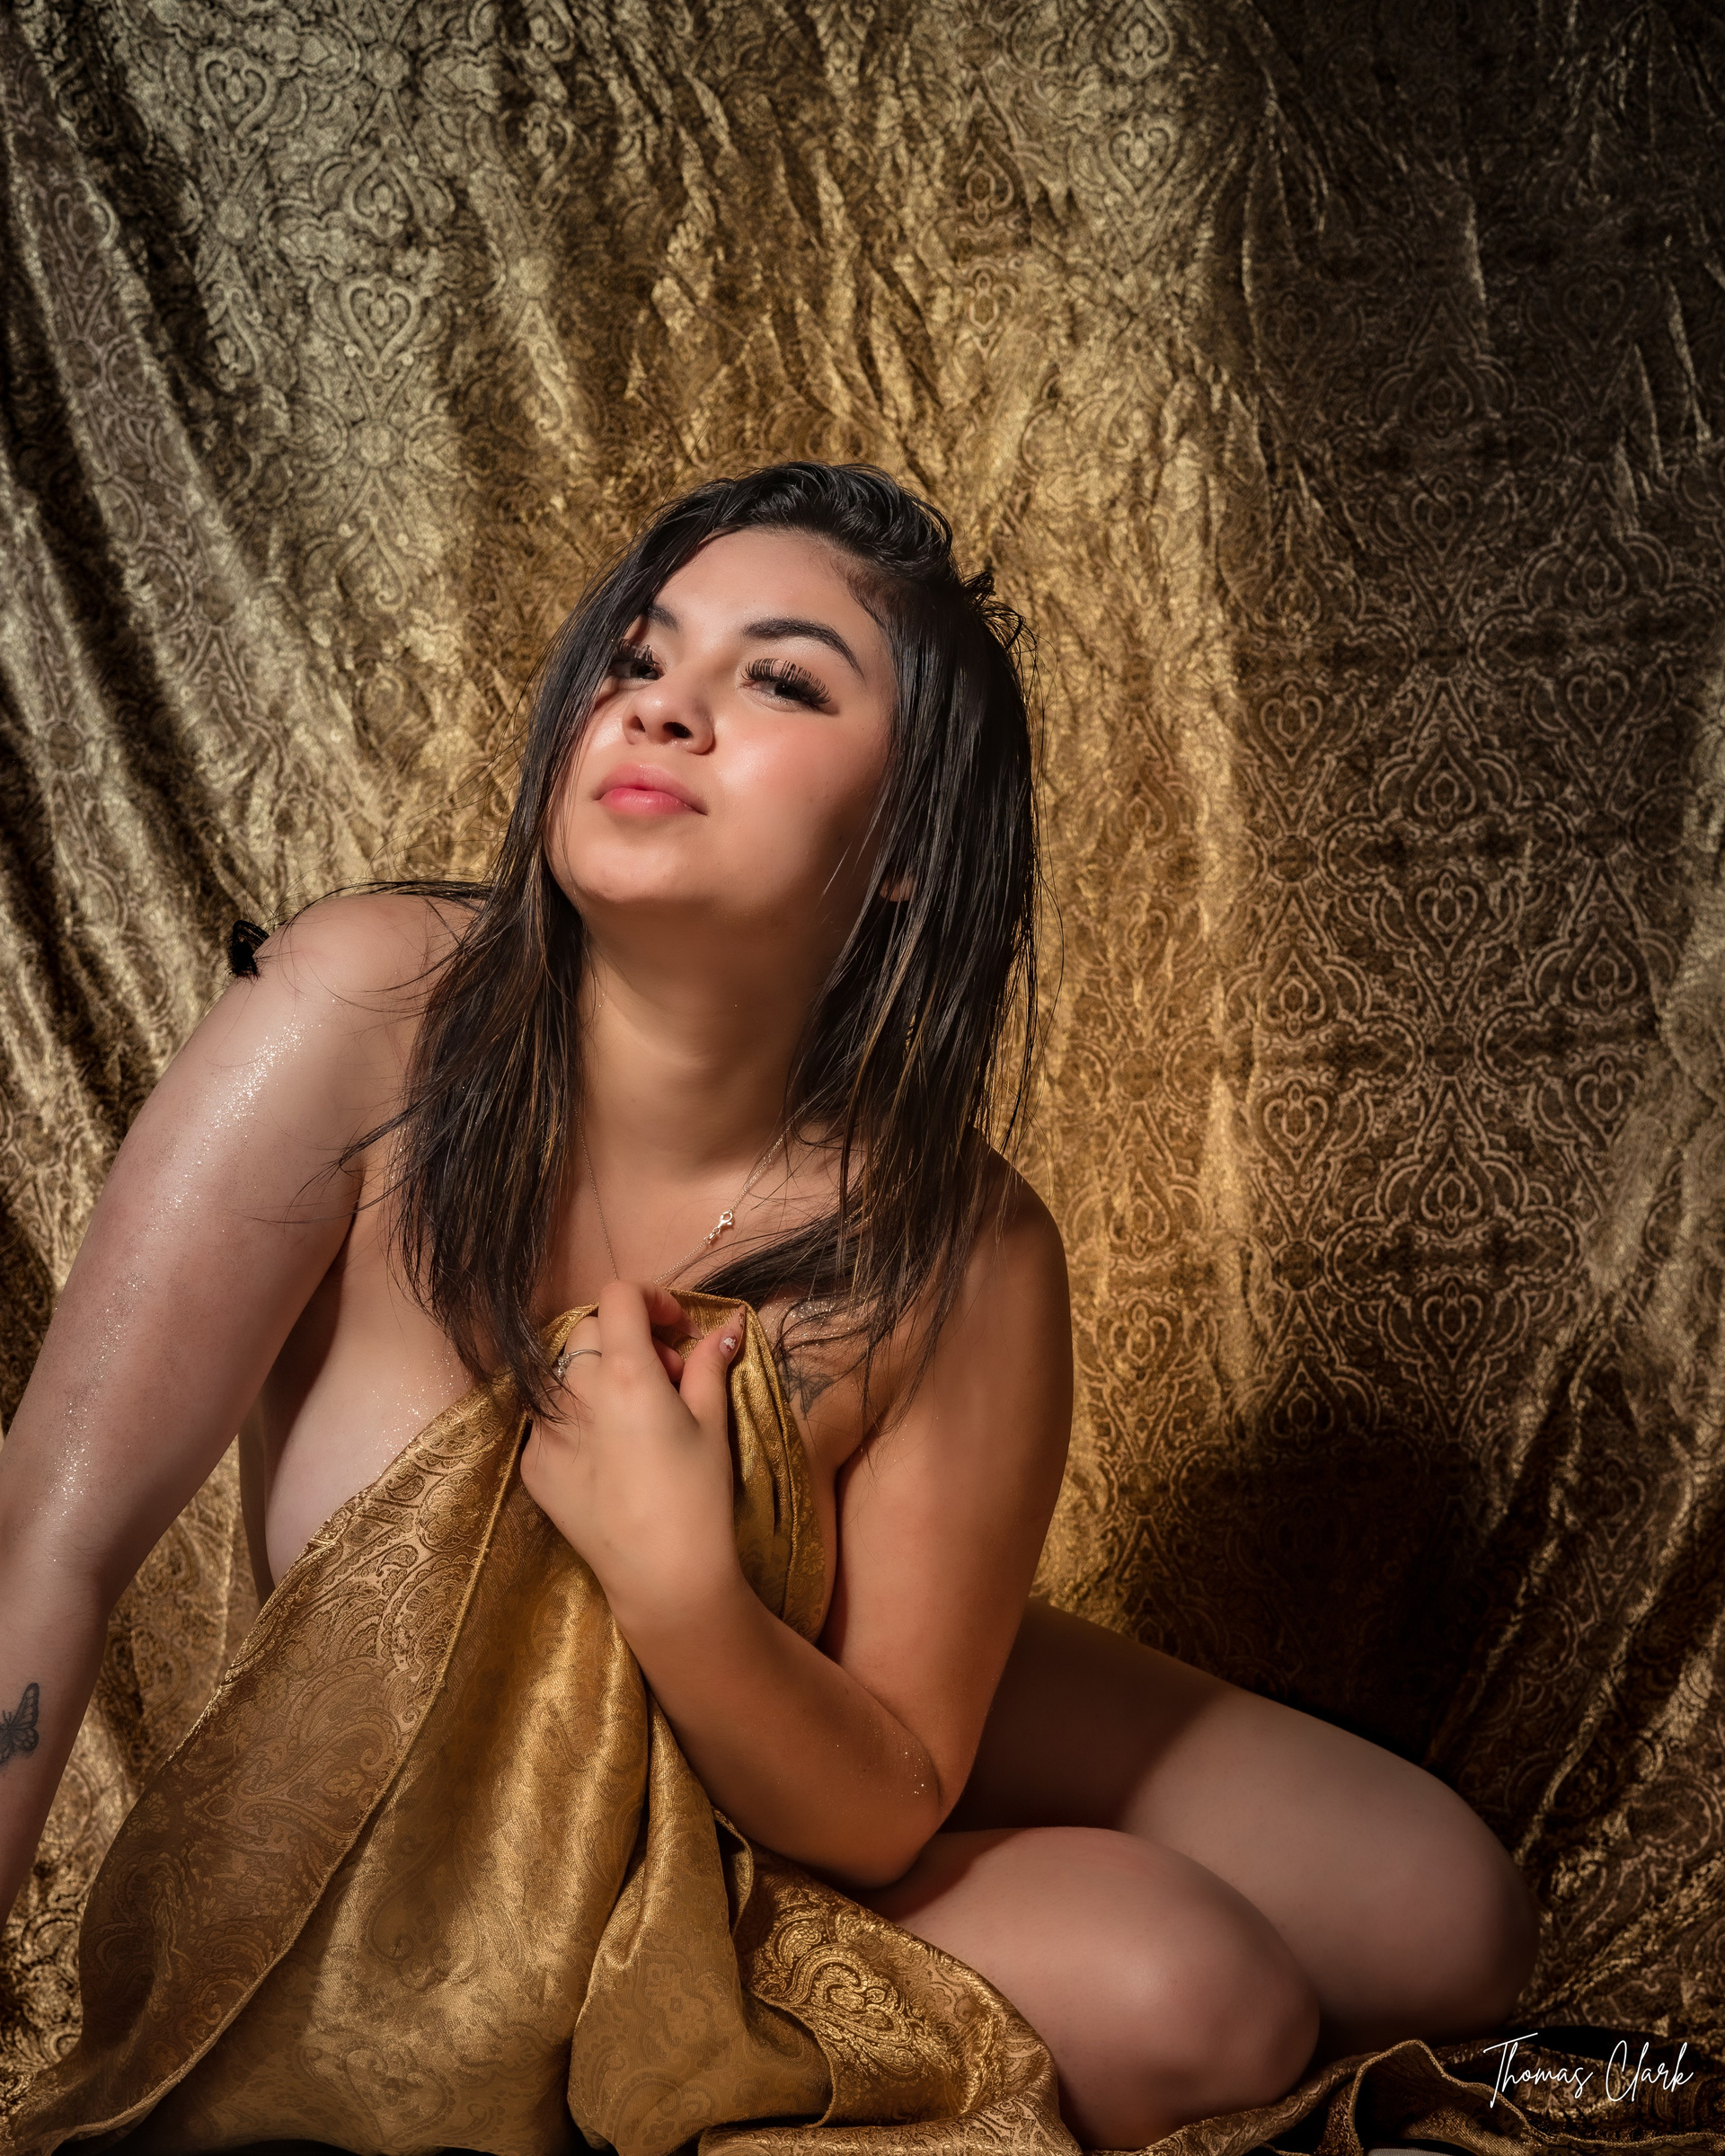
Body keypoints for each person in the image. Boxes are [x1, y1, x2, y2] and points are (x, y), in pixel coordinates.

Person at [0, 462, 1535, 2152]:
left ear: (906, 848)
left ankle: (826, 1686)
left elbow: (882, 1812)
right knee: (1205, 1997)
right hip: (442, 1879)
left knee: (1445, 1922)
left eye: (782, 680)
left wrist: (681, 1573)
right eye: (640, 657)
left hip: (773, 1759)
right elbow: (42, 1551)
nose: (662, 708)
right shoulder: (361, 1010)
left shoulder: (962, 1247)